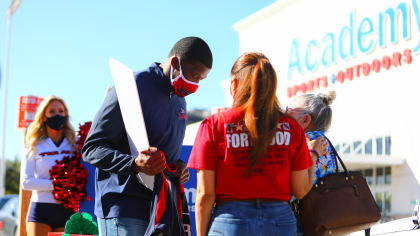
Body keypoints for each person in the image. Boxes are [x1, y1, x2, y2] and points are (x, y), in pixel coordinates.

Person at [82, 36, 213, 236]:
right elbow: (92, 148)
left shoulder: (180, 100)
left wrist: (177, 168)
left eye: (200, 80)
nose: (195, 85)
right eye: (193, 75)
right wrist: (134, 164)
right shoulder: (131, 85)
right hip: (123, 208)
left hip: (161, 211)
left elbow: (164, 154)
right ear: (175, 62)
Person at [187, 52, 321, 236]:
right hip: (280, 222)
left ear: (233, 84)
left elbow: (205, 194)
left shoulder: (214, 125)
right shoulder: (292, 128)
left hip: (230, 221)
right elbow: (300, 190)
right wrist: (313, 155)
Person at [21, 95, 76, 236]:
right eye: (52, 111)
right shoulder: (34, 144)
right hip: (40, 210)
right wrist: (58, 184)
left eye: (61, 111)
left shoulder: (75, 143)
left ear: (66, 115)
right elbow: (26, 182)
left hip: (68, 209)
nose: (57, 114)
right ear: (43, 117)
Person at [286, 91, 337, 184]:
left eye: (288, 110)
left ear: (305, 120)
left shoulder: (307, 141)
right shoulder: (322, 140)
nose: (284, 115)